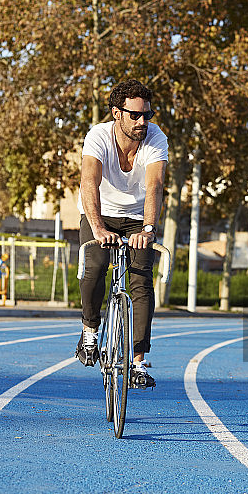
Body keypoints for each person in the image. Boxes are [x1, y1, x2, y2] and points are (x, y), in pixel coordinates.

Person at [75, 79, 168, 388]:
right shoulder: (98, 136)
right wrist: (98, 227)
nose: (143, 122)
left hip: (138, 217)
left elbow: (154, 186)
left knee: (141, 279)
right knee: (97, 263)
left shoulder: (156, 139)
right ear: (116, 113)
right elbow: (89, 182)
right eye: (135, 115)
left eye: (147, 115)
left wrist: (149, 229)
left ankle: (139, 362)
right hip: (99, 212)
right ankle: (90, 331)